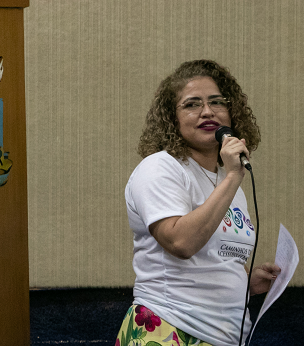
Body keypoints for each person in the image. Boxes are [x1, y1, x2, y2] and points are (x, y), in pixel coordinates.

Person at [116, 60, 280, 346]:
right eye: (192, 104)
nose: (207, 111)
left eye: (216, 102)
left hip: (226, 337)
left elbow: (211, 258)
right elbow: (181, 243)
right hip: (169, 331)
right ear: (172, 118)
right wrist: (233, 176)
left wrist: (245, 282)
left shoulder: (225, 177)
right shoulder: (160, 168)